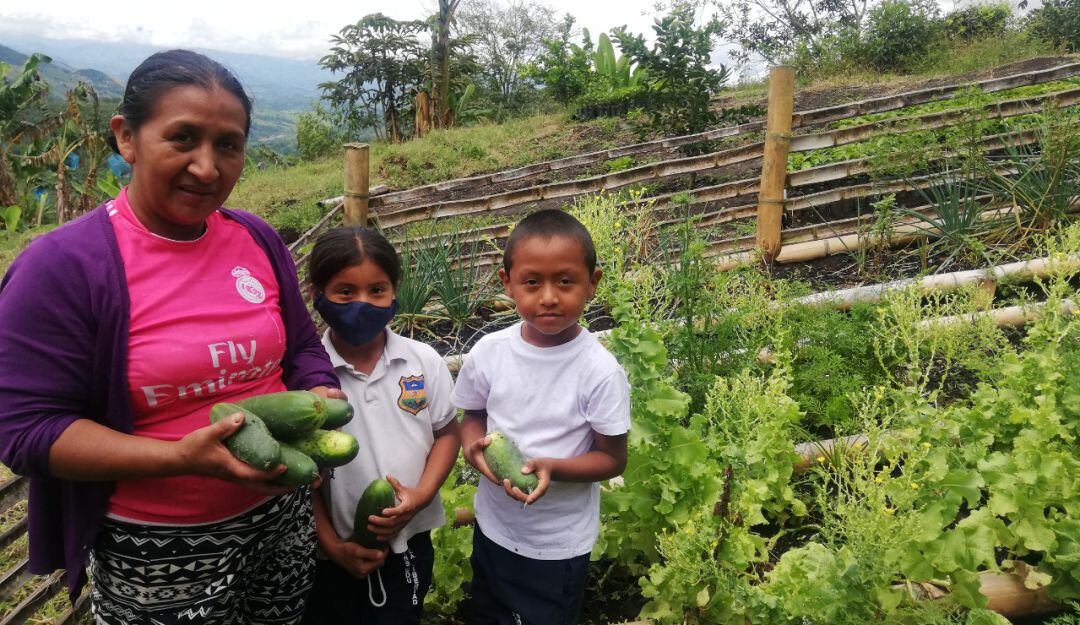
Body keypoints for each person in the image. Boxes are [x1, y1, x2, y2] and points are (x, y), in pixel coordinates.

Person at [0, 49, 340, 624]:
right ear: (126, 137)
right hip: (156, 547)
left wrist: (320, 390)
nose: (207, 168)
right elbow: (26, 432)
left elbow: (303, 347)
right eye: (183, 138)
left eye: (228, 145)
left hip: (282, 517)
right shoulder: (61, 267)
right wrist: (179, 457)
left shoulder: (255, 238)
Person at [452, 209, 631, 625]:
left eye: (565, 282)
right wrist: (472, 447)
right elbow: (472, 414)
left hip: (555, 547)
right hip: (492, 527)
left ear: (592, 283)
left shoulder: (599, 371)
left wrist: (553, 467)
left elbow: (612, 459)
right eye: (532, 282)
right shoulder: (490, 352)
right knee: (488, 613)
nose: (549, 297)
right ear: (508, 283)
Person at [300, 226, 461, 625]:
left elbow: (447, 434)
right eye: (345, 292)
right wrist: (331, 545)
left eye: (376, 290)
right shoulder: (309, 381)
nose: (362, 303)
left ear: (395, 290)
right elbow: (303, 478)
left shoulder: (422, 361)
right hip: (332, 551)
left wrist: (422, 494)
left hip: (409, 539)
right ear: (316, 293)